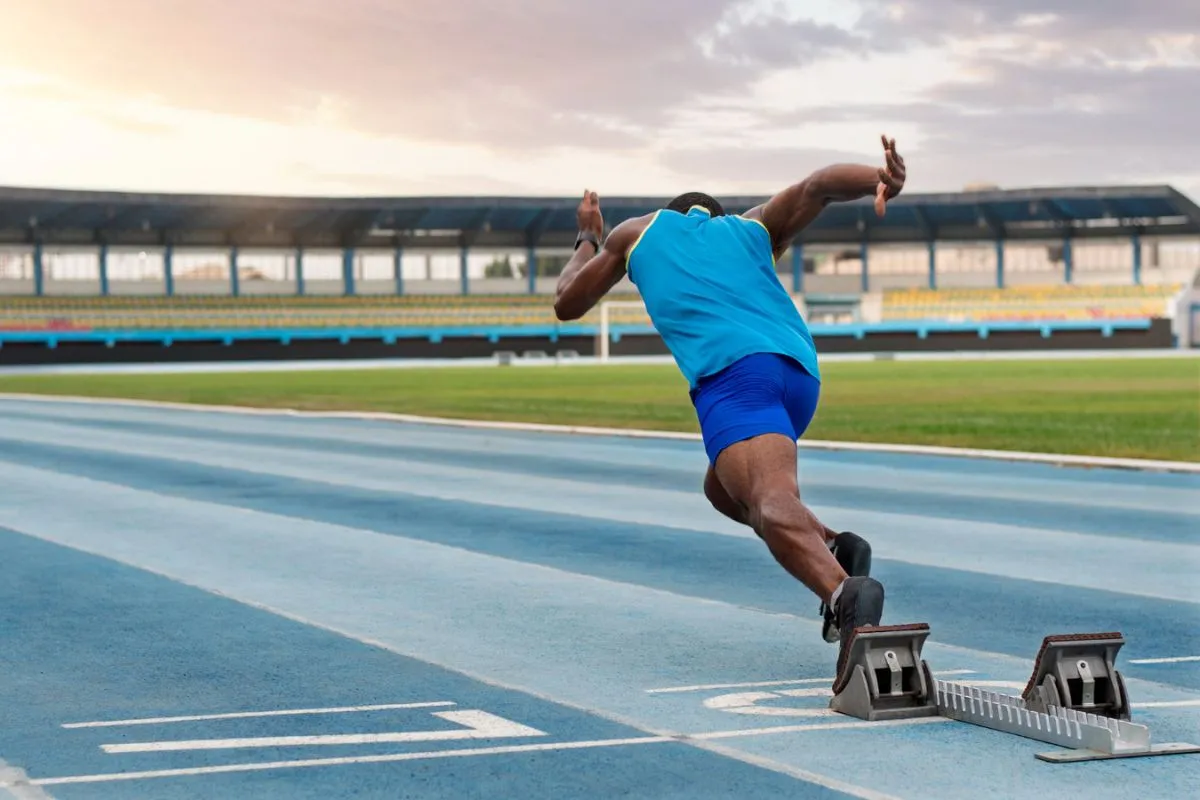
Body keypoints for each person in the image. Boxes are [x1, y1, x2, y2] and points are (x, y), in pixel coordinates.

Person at [553, 136, 906, 681]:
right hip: (798, 374)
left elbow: (566, 301)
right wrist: (878, 180)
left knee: (768, 503)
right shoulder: (751, 229)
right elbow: (818, 186)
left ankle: (844, 595)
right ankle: (835, 544)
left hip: (734, 376)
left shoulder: (638, 232)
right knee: (721, 489)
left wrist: (587, 237)